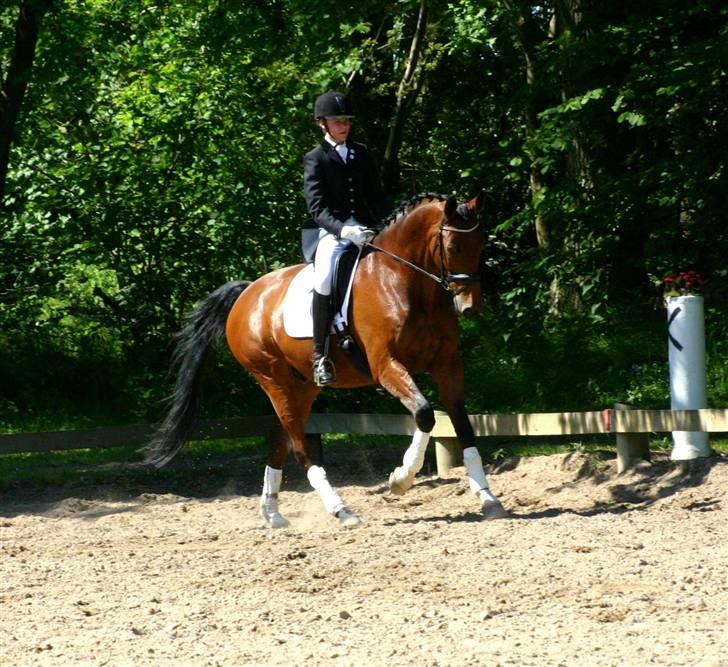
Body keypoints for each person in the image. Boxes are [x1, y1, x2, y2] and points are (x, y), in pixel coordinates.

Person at [303, 90, 389, 387]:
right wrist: (343, 230)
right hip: (331, 232)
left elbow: (375, 196)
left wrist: (384, 225)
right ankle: (320, 355)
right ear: (322, 124)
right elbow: (316, 208)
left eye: (347, 121)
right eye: (337, 121)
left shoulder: (361, 153)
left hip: (366, 230)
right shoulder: (315, 159)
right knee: (324, 277)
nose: (344, 126)